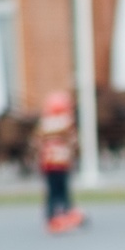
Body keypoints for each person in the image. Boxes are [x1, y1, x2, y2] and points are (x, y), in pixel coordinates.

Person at [34, 90, 84, 233]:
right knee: (63, 191)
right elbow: (74, 142)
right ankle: (67, 213)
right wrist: (75, 153)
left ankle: (50, 216)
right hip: (61, 163)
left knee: (51, 192)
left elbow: (37, 143)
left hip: (48, 164)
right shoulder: (66, 123)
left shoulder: (44, 123)